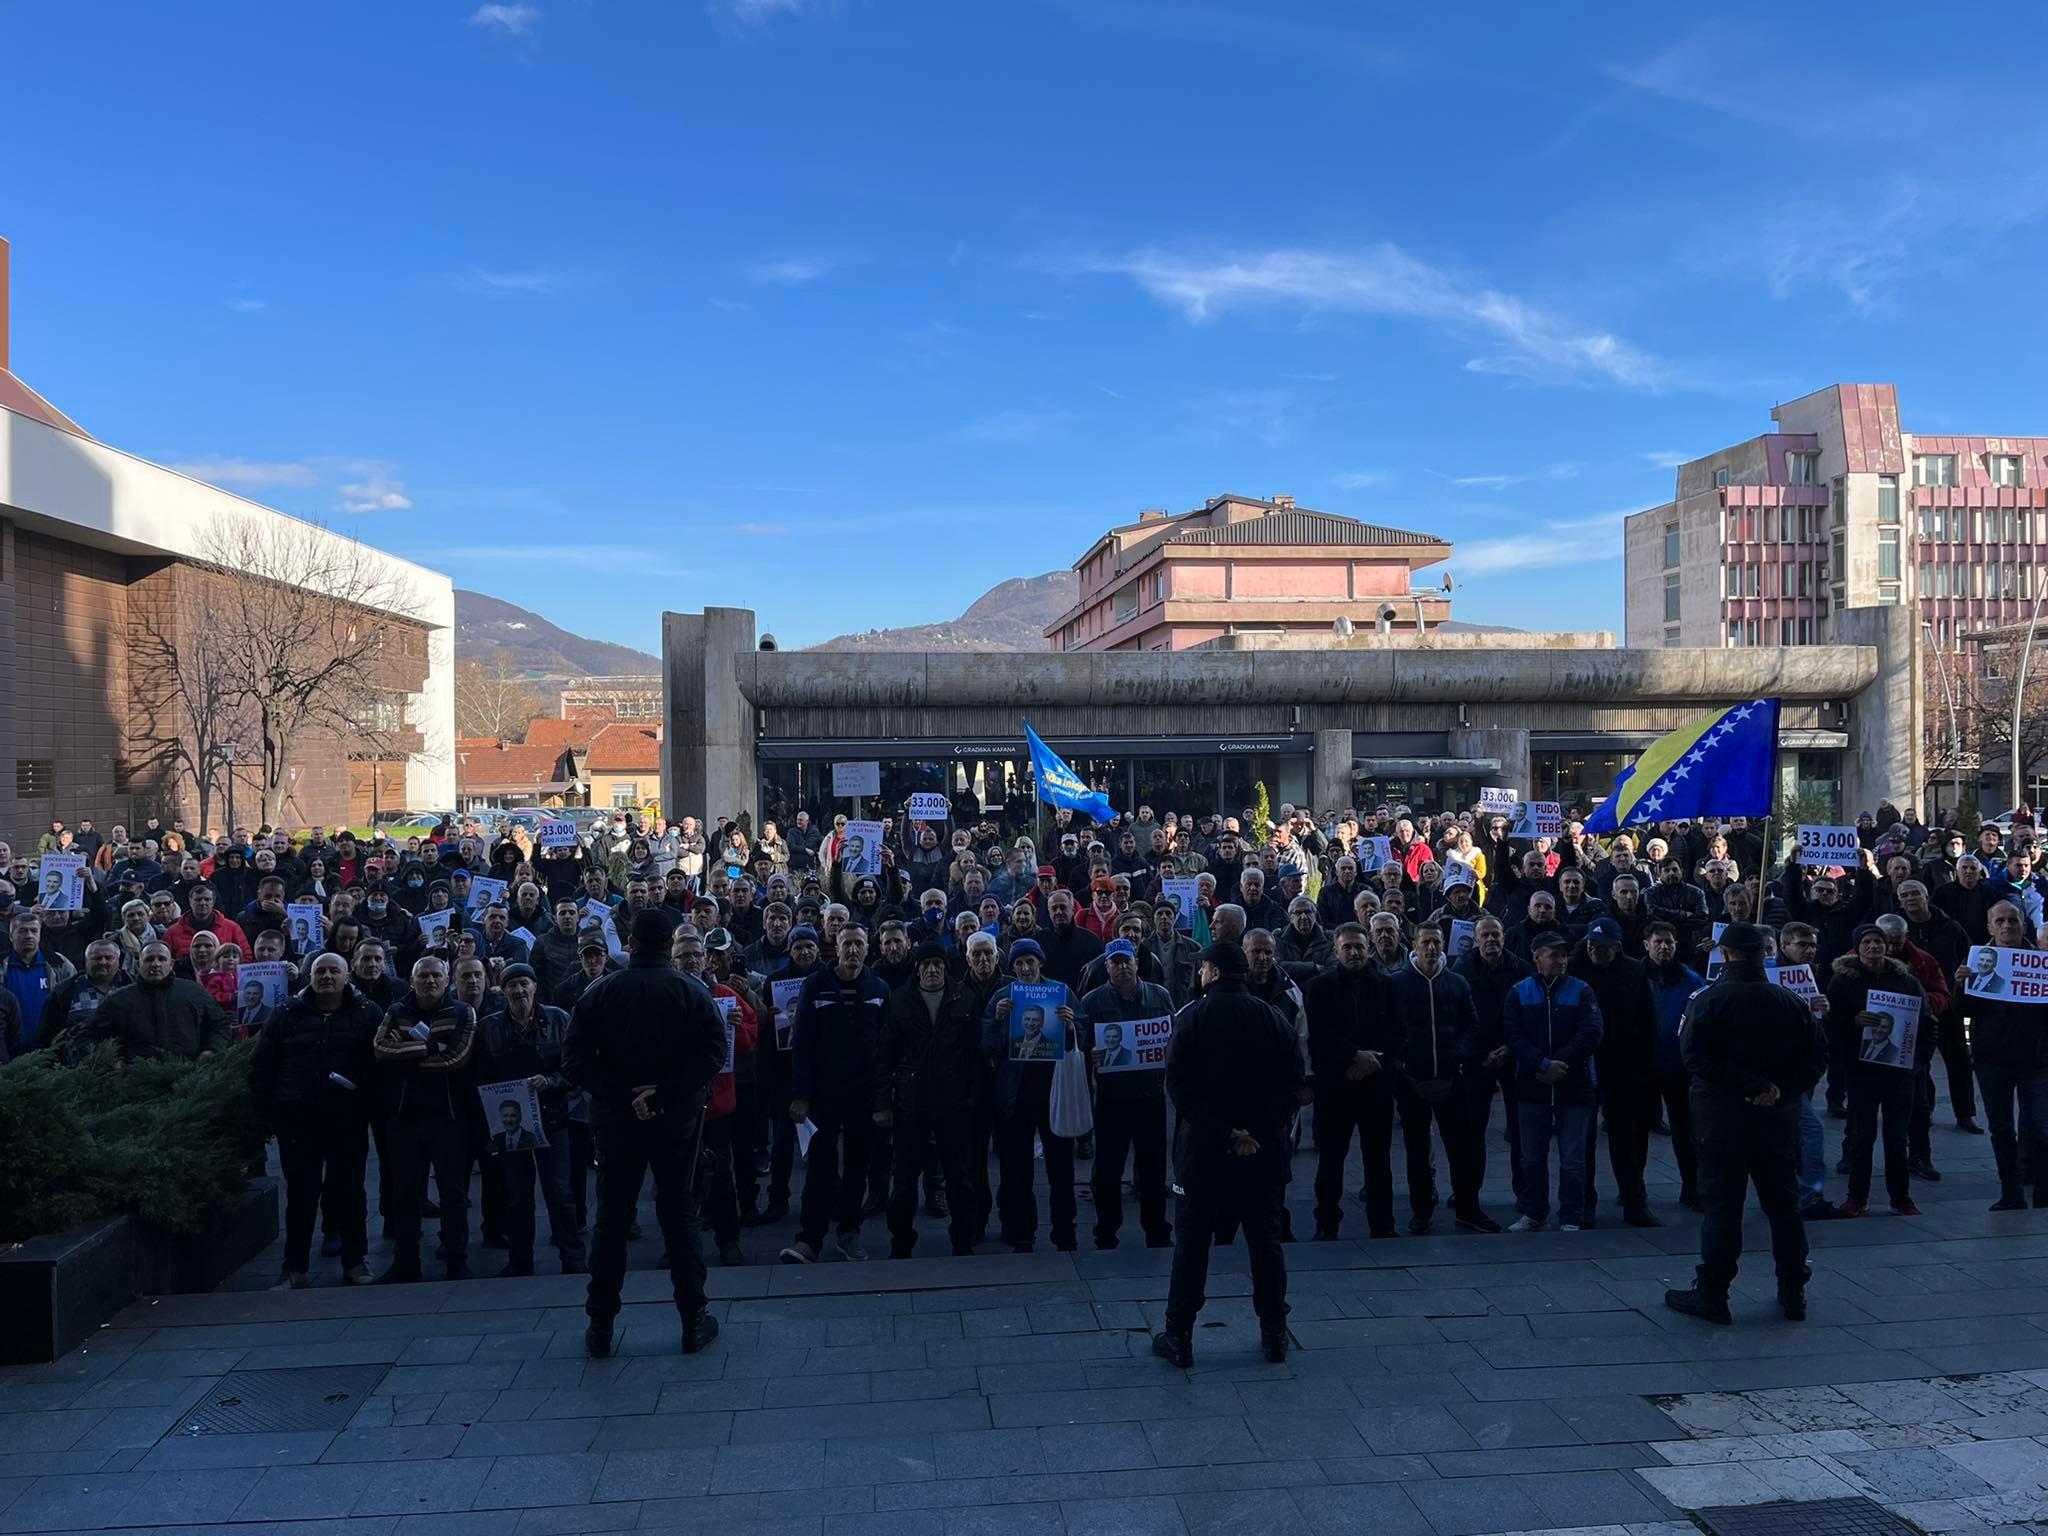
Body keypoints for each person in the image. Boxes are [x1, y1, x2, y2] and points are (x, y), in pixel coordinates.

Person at [563, 905, 729, 1357]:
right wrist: (663, 1094)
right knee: (679, 1218)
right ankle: (693, 1319)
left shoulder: (601, 991)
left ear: (630, 944)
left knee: (612, 1220)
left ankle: (600, 1325)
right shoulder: (690, 990)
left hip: (617, 1122)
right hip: (675, 1120)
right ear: (669, 945)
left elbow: (574, 1060)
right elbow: (715, 1051)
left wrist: (622, 1095)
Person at [1665, 922, 1829, 1325]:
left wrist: (1753, 1086)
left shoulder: (1709, 1000)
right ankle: (1793, 1290)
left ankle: (1714, 1292)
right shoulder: (1791, 1002)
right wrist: (1779, 1090)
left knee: (1723, 1209)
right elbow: (1817, 1058)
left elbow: (1695, 1058)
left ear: (1724, 955)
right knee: (1784, 1208)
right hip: (1776, 1121)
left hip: (1723, 1122)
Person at [1151, 941, 1302, 1369]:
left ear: (1213, 972)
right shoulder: (1272, 1018)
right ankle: (1273, 1331)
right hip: (1262, 1152)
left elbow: (1178, 1087)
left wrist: (1224, 1131)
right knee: (1265, 1244)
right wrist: (1253, 1131)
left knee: (1192, 1246)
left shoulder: (1192, 1018)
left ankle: (1179, 1334)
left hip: (1203, 1155)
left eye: (1202, 969)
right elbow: (1292, 1085)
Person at [250, 951, 382, 1287]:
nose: (326, 976)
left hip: (347, 1116)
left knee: (351, 1191)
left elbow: (379, 1063)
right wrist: (271, 1111)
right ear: (309, 975)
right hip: (298, 1118)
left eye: (333, 971)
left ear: (346, 975)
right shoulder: (286, 1014)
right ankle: (294, 1267)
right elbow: (263, 1064)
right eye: (319, 970)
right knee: (301, 1194)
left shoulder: (366, 1013)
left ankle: (356, 1262)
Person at [782, 924, 892, 1264]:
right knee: (820, 1166)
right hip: (824, 1092)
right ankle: (810, 1239)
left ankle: (849, 1233)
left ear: (868, 947)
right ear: (836, 947)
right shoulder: (816, 986)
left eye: (860, 943)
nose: (854, 950)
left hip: (863, 1093)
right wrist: (800, 1095)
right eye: (848, 944)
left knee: (858, 1165)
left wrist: (883, 1100)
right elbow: (800, 1044)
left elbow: (886, 1049)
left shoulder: (879, 988)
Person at [371, 955, 479, 1282]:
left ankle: (457, 1260)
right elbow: (379, 1049)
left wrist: (406, 1055)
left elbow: (457, 1058)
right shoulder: (396, 1011)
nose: (429, 981)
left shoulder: (463, 1012)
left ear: (446, 980)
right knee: (405, 1193)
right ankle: (405, 1262)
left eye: (435, 976)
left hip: (448, 1117)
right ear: (412, 980)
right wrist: (429, 1048)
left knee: (453, 1193)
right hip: (405, 1118)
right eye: (423, 976)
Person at [875, 940, 984, 1258]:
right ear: (917, 969)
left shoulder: (964, 997)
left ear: (945, 968)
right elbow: (885, 1055)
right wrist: (882, 1103)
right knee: (906, 1180)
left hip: (955, 1102)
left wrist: (973, 1097)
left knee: (959, 1179)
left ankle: (962, 1240)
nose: (932, 970)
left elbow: (975, 1053)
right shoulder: (899, 1001)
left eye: (937, 964)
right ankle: (901, 1242)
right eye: (926, 965)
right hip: (911, 1102)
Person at [981, 938, 1081, 1252]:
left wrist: (1070, 1025)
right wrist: (997, 1021)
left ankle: (1065, 1232)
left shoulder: (1061, 993)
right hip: (1015, 1095)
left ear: (1040, 963)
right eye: (1019, 964)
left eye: (1030, 962)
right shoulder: (1003, 996)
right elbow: (986, 1047)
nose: (1025, 969)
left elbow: (1085, 1036)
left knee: (1061, 1169)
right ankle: (1020, 1231)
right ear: (1012, 968)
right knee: (1015, 1168)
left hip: (1055, 1093)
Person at [1501, 932, 1604, 1232]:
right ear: (1536, 957)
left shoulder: (1581, 990)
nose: (1560, 960)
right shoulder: (1519, 992)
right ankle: (1534, 1211)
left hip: (1574, 1082)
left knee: (1573, 1158)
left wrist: (1561, 1062)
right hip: (1533, 1082)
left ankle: (1571, 1214)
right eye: (1553, 954)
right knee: (1532, 1156)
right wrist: (1542, 1064)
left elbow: (1591, 1032)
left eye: (1563, 955)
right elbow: (1513, 1034)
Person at [1824, 925, 1927, 1216]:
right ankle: (1857, 1196)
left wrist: (1918, 1060)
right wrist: (1853, 1022)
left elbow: (1926, 1020)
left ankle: (1901, 1196)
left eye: (1878, 941)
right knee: (1861, 1135)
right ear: (1858, 948)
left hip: (1899, 1071)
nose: (1873, 947)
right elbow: (1831, 1024)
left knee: (1897, 1137)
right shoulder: (1843, 981)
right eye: (1867, 942)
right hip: (1861, 1071)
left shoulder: (1905, 979)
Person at [1078, 939, 1174, 1249]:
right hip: (1111, 1098)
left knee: (1153, 1168)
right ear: (1106, 966)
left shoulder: (1159, 995)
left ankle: (1157, 1230)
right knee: (1108, 1169)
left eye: (1126, 961)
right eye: (1115, 962)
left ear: (1136, 963)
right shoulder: (1092, 1001)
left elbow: (1175, 1035)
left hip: (1150, 1095)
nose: (1121, 967)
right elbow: (1078, 1041)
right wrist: (1088, 1052)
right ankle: (1106, 1231)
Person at [1303, 923, 1394, 1239]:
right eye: (1347, 948)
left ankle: (1382, 1224)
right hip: (1335, 1084)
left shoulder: (1386, 985)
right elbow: (1318, 1033)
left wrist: (1372, 1061)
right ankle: (1326, 1223)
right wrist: (1353, 1056)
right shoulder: (1318, 987)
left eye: (1359, 947)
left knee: (1378, 1159)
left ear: (1368, 948)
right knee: (1330, 1159)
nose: (1354, 953)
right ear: (1336, 951)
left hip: (1376, 1083)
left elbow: (1396, 1032)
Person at [84, 940, 230, 1061]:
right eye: (149, 959)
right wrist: (112, 1061)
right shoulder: (118, 1000)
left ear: (171, 963)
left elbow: (220, 1024)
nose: (155, 964)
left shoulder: (194, 992)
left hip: (190, 1076)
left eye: (161, 959)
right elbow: (90, 1036)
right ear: (138, 963)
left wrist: (212, 1049)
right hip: (134, 1081)